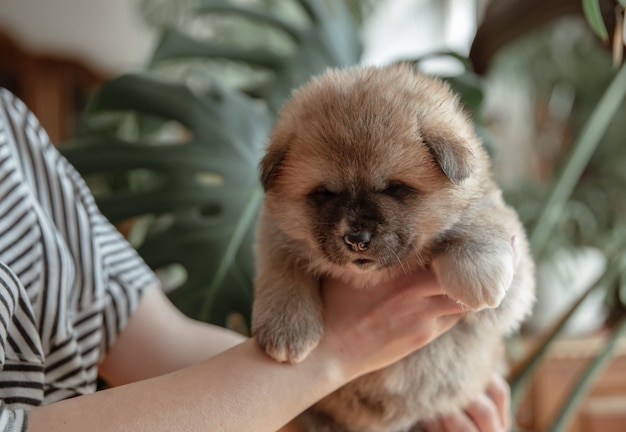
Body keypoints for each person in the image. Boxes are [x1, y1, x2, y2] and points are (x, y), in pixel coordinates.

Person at [0, 88, 511, 432]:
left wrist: (323, 400)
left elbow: (149, 338)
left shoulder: (9, 131)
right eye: (323, 196)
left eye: (397, 189)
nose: (356, 228)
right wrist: (340, 351)